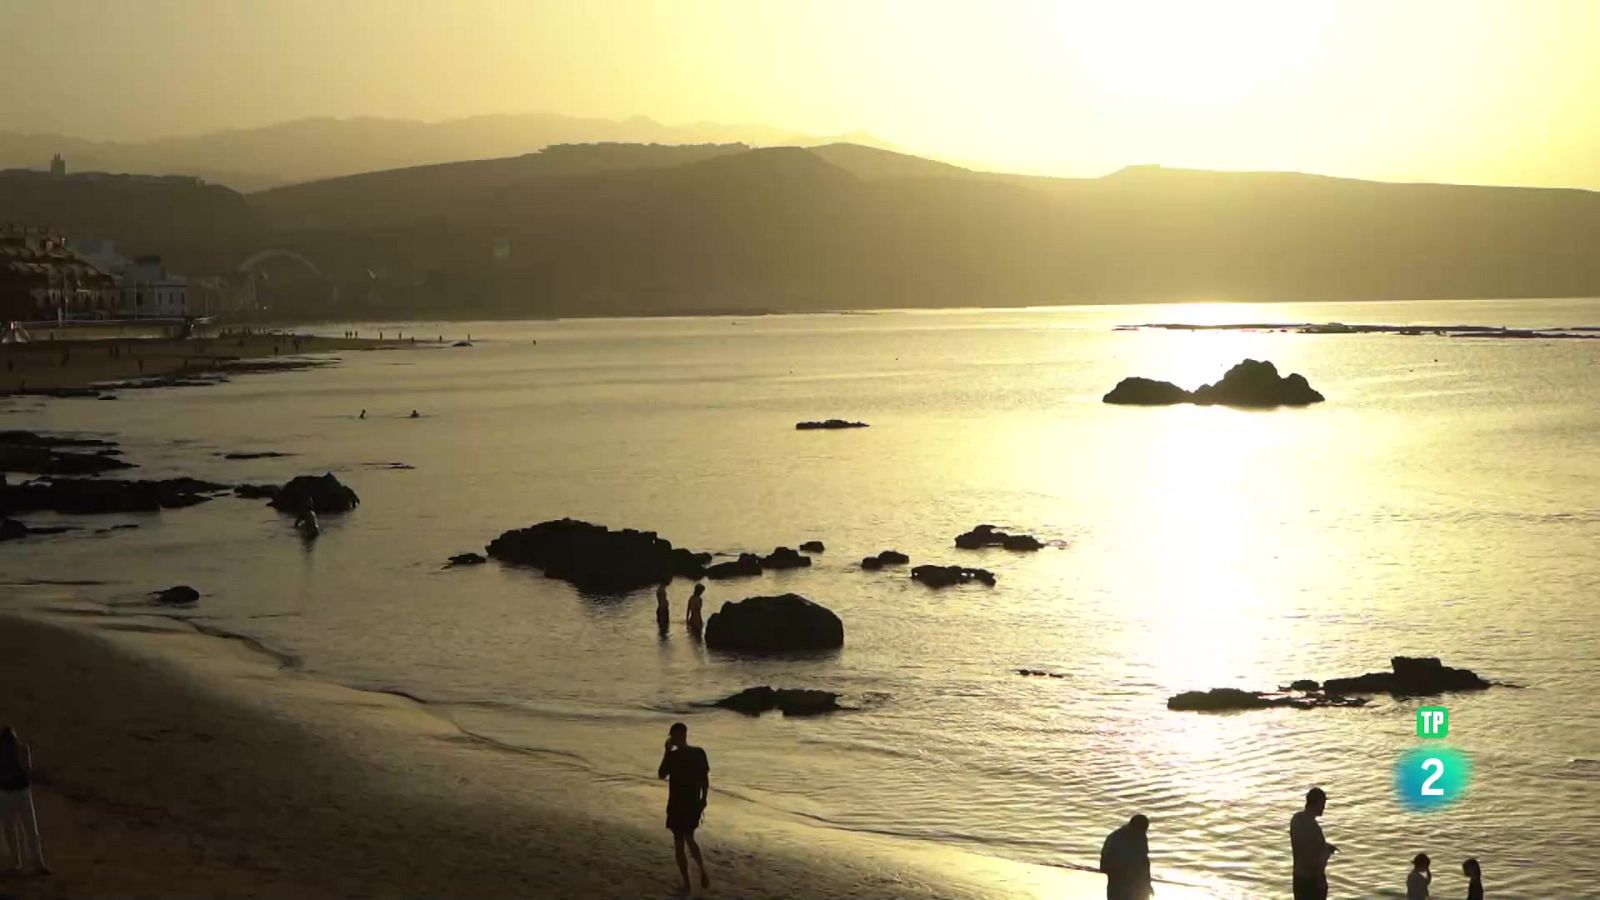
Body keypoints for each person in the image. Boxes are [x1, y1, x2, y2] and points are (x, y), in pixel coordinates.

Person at [657, 723, 710, 893]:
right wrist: (703, 799)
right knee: (687, 838)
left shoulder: (684, 755)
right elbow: (662, 775)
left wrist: (703, 799)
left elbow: (704, 779)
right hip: (685, 803)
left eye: (674, 736)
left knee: (681, 841)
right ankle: (699, 873)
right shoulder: (696, 753)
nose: (673, 738)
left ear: (681, 735)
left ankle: (689, 882)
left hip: (681, 803)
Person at [0, 727, 48, 875]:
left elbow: (25, 769)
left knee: (25, 829)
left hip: (17, 793)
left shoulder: (20, 751)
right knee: (16, 829)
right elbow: (24, 771)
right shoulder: (18, 751)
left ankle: (35, 862)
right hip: (12, 793)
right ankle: (21, 862)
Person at [1290, 787, 1337, 900]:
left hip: (1298, 878)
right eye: (1322, 804)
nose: (1324, 808)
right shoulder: (1314, 829)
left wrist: (1322, 846)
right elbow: (1316, 860)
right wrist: (1327, 852)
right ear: (1316, 804)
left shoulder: (1296, 819)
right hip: (1313, 881)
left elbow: (1303, 847)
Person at [1099, 813, 1154, 899]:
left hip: (1132, 883)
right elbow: (1105, 864)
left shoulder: (1139, 835)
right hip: (1121, 883)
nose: (1143, 832)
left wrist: (1147, 884)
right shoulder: (1116, 838)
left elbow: (1144, 861)